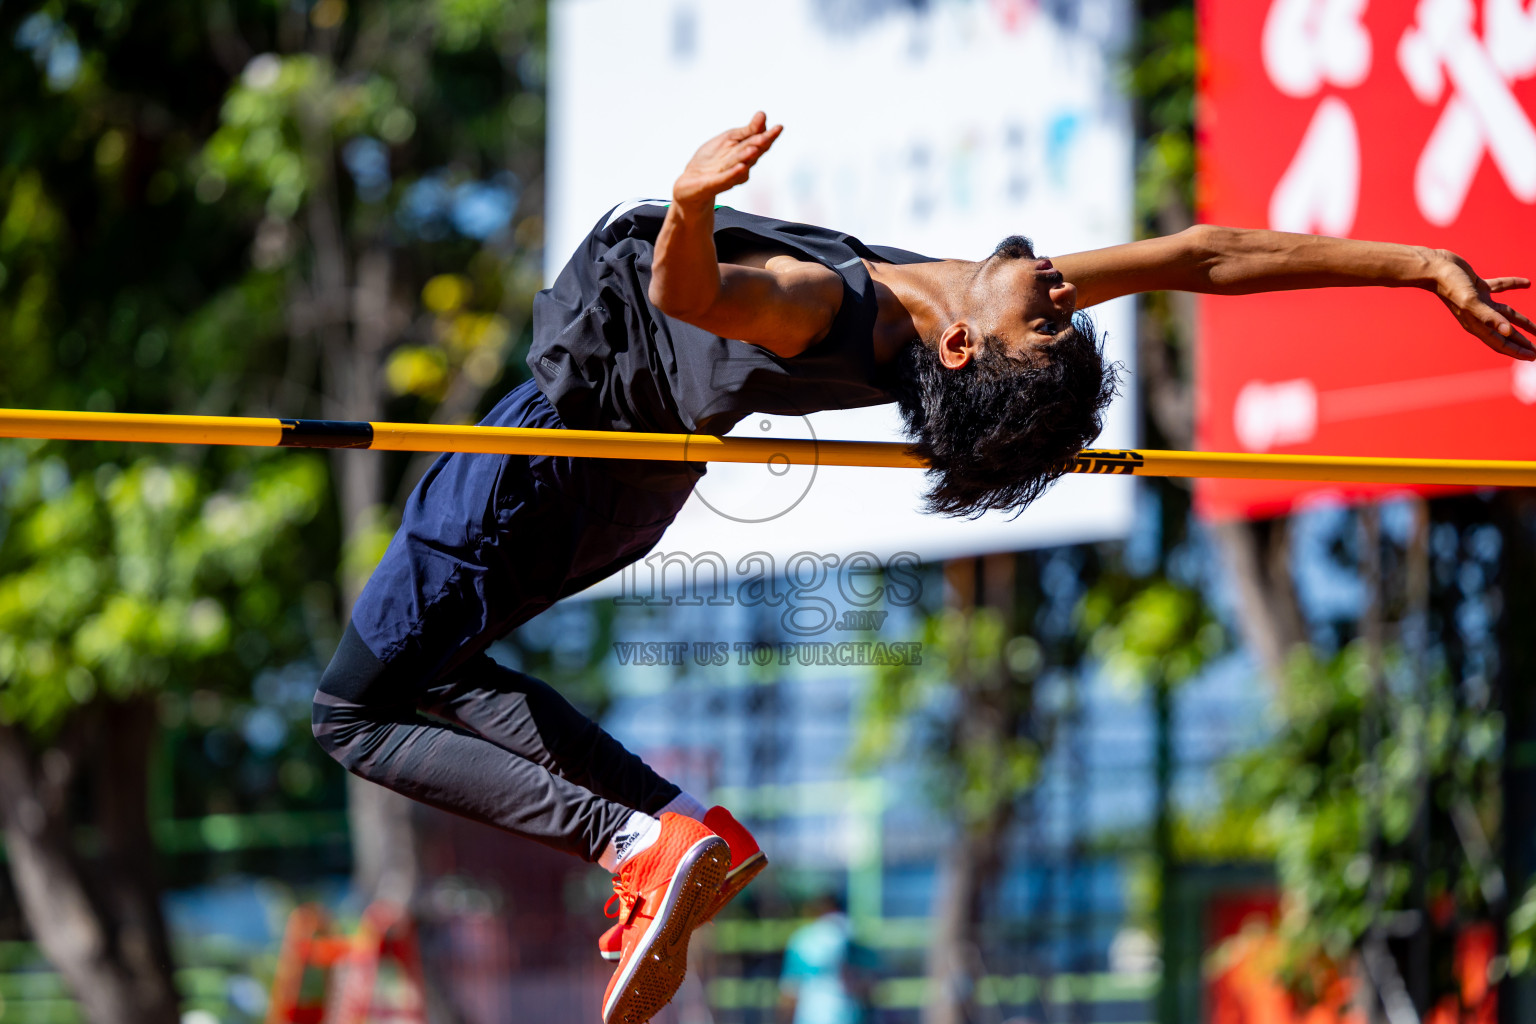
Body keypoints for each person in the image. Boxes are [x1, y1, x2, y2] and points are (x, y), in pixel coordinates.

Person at [311, 112, 1533, 1024]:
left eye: (1044, 316)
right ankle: (677, 827)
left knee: (352, 712)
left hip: (543, 472)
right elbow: (1200, 255)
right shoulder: (958, 294)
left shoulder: (828, 307)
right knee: (431, 671)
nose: (1059, 286)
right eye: (1063, 304)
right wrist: (1417, 266)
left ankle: (636, 842)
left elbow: (694, 288)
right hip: (611, 487)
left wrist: (689, 200)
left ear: (961, 347)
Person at [778, 894, 877, 1024]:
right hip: (846, 1015)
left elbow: (790, 990)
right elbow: (869, 985)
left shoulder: (802, 939)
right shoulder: (853, 936)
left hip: (810, 1016)